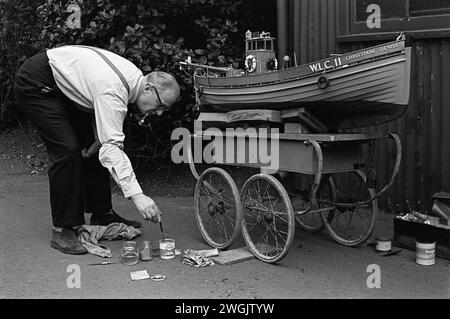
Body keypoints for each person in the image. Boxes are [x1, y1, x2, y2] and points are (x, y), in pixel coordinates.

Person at [14, 45, 181, 255]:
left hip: (63, 85)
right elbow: (112, 145)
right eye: (160, 105)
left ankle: (102, 213)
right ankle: (62, 230)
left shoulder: (131, 80)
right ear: (148, 88)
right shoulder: (115, 90)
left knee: (97, 146)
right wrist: (138, 196)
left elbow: (98, 112)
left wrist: (96, 140)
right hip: (38, 83)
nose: (158, 113)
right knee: (67, 151)